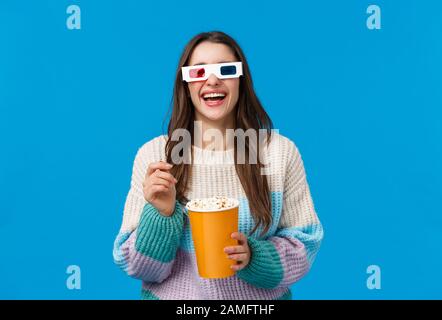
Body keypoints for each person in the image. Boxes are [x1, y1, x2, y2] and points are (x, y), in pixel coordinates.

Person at [113, 31, 324, 300]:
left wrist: (253, 257)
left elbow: (305, 242)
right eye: (198, 72)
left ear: (240, 80)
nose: (212, 80)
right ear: (185, 85)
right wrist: (161, 214)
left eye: (225, 69)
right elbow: (138, 267)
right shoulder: (156, 155)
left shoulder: (278, 153)